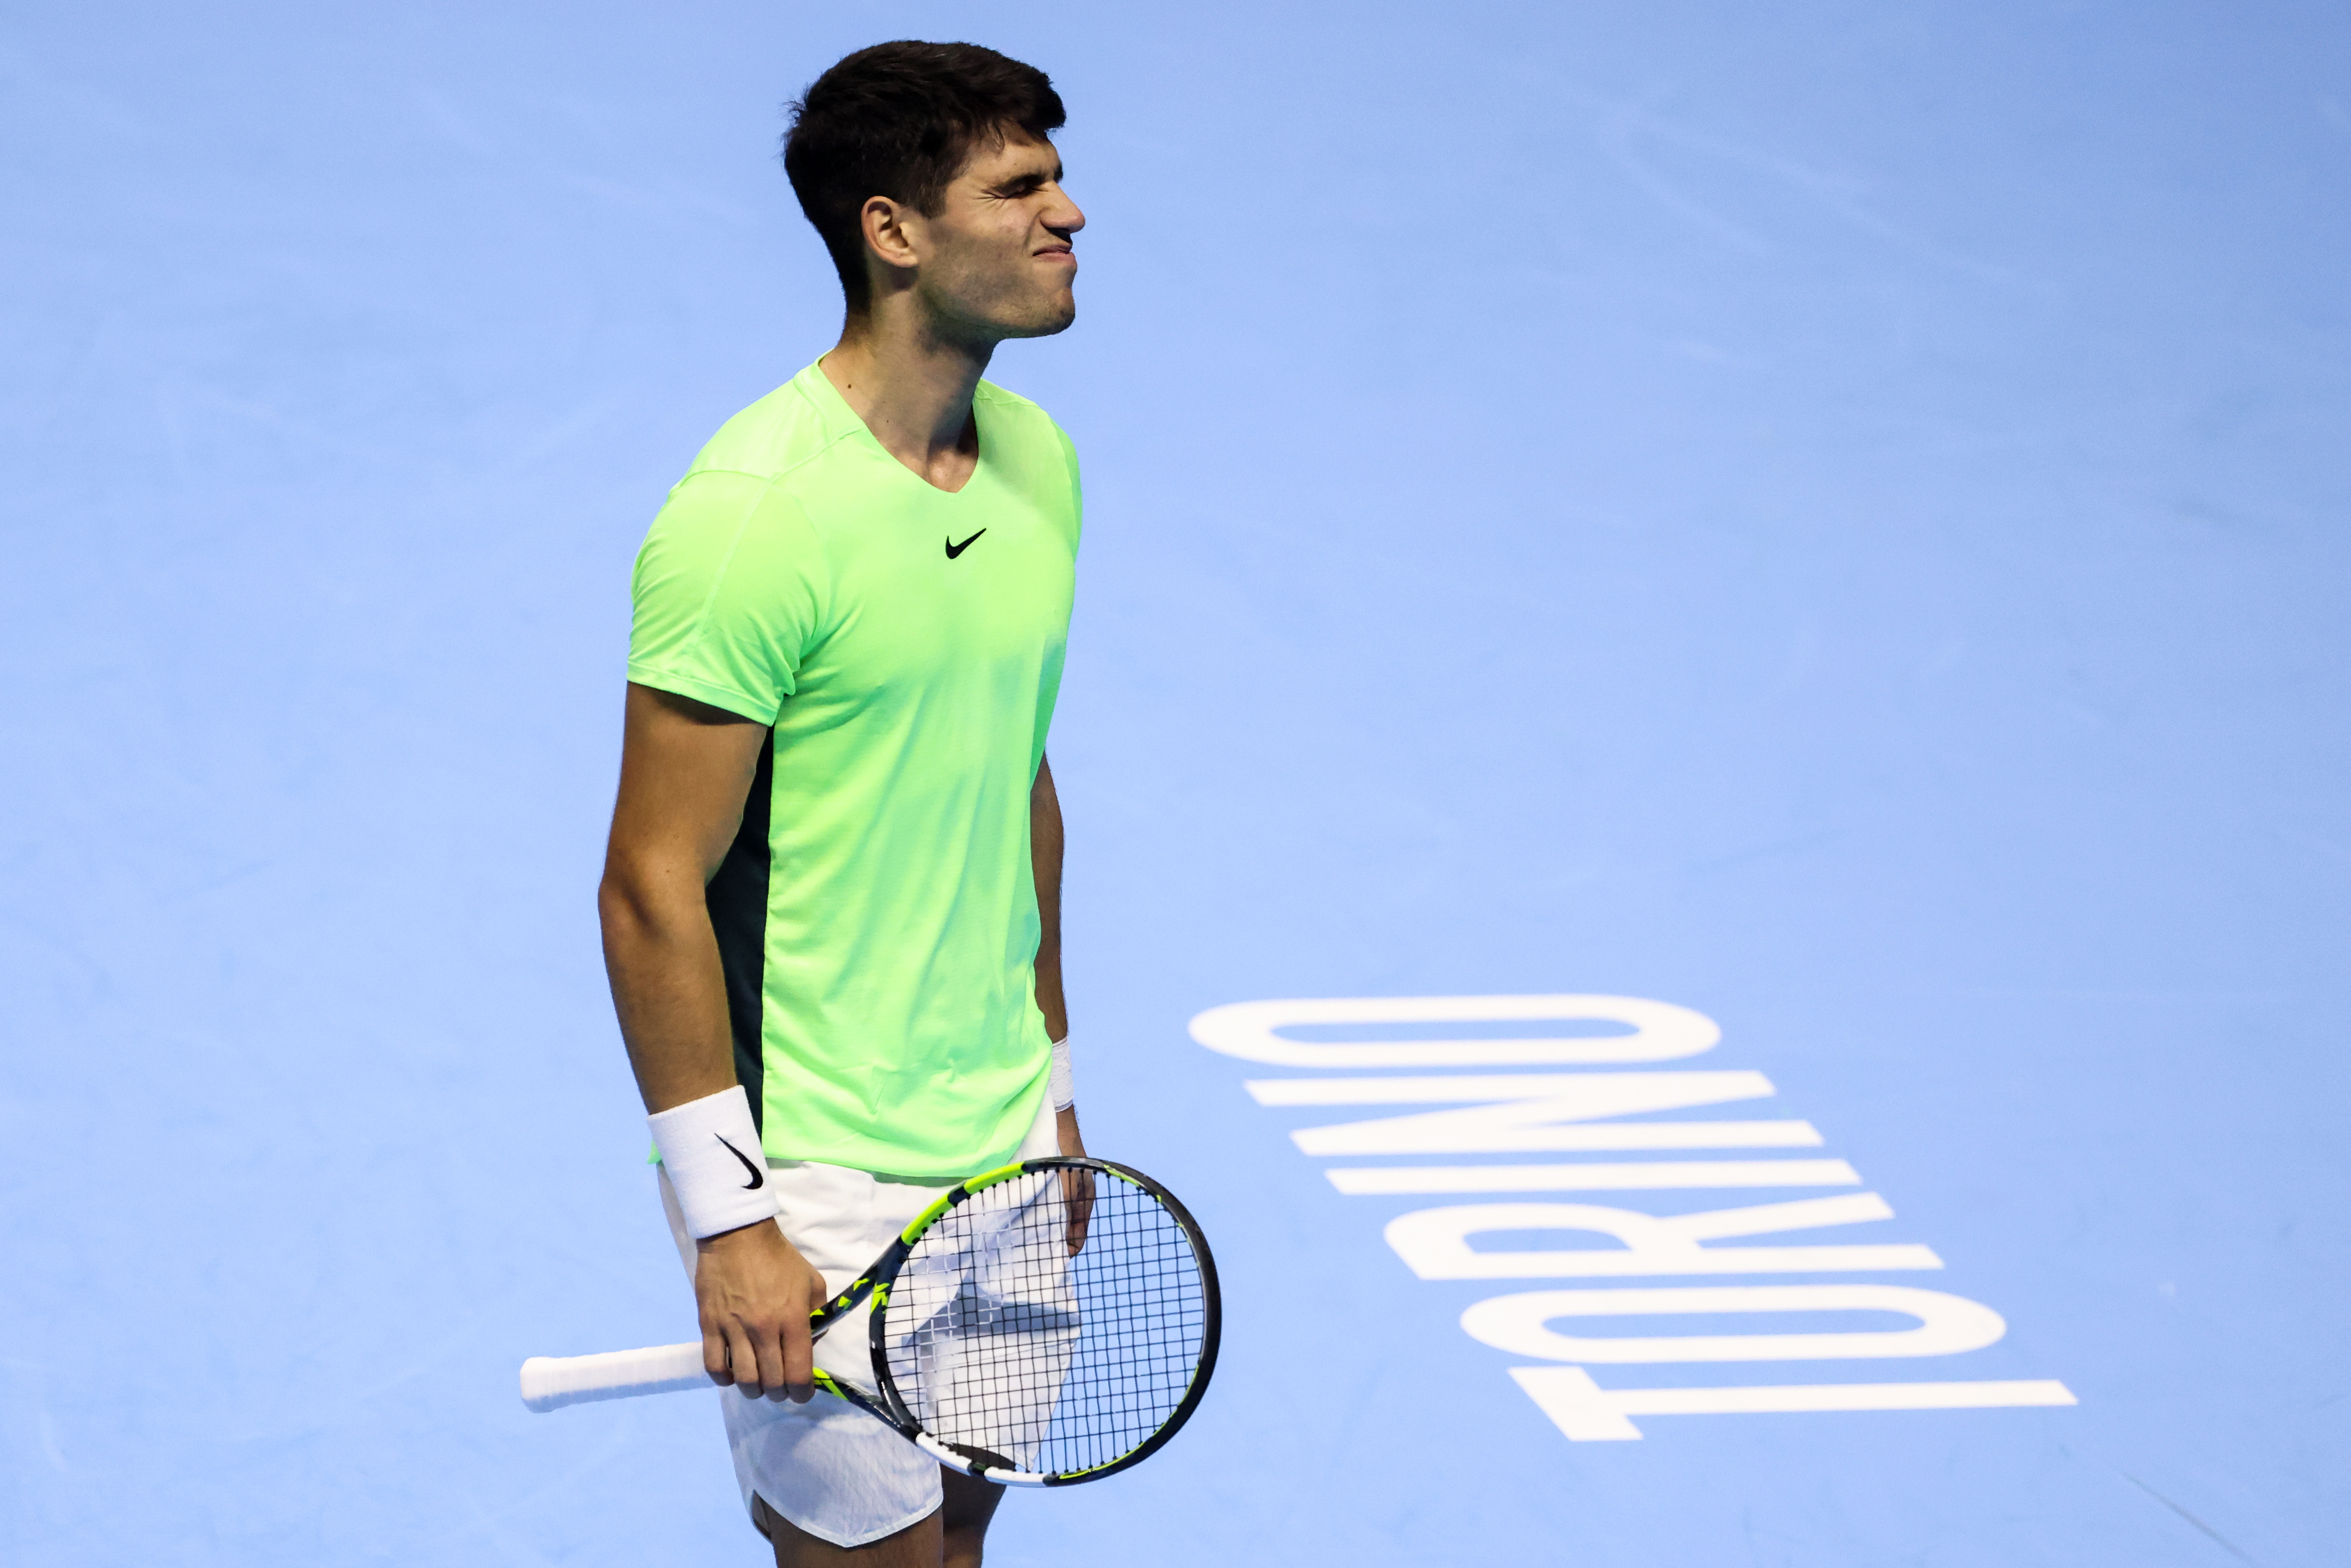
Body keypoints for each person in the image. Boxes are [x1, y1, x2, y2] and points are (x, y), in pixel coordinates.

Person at [596, 40, 1089, 1568]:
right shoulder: (755, 519)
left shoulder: (1036, 461)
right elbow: (649, 886)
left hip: (997, 1131)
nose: (1067, 213)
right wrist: (731, 1216)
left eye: (1057, 176)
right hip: (814, 1170)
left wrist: (1053, 1079)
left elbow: (1014, 770)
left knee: (960, 1547)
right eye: (1017, 187)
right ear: (892, 231)